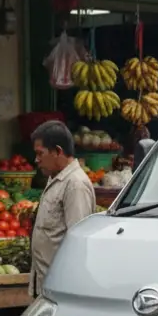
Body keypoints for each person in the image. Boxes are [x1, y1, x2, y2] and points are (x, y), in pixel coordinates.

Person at [29, 120, 96, 298]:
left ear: (58, 151)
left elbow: (78, 244)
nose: (36, 159)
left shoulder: (75, 185)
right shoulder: (55, 178)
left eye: (40, 153)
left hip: (60, 290)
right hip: (45, 285)